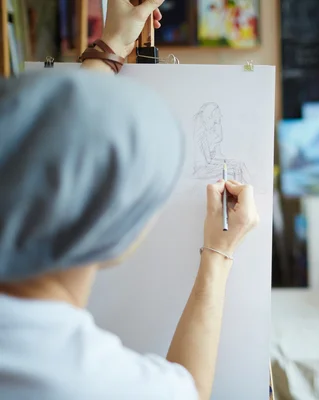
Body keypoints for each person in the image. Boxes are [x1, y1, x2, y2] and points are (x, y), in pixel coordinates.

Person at [0, 1, 258, 399]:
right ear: (118, 223)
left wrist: (112, 43)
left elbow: (57, 150)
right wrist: (218, 255)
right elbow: (189, 391)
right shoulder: (82, 379)